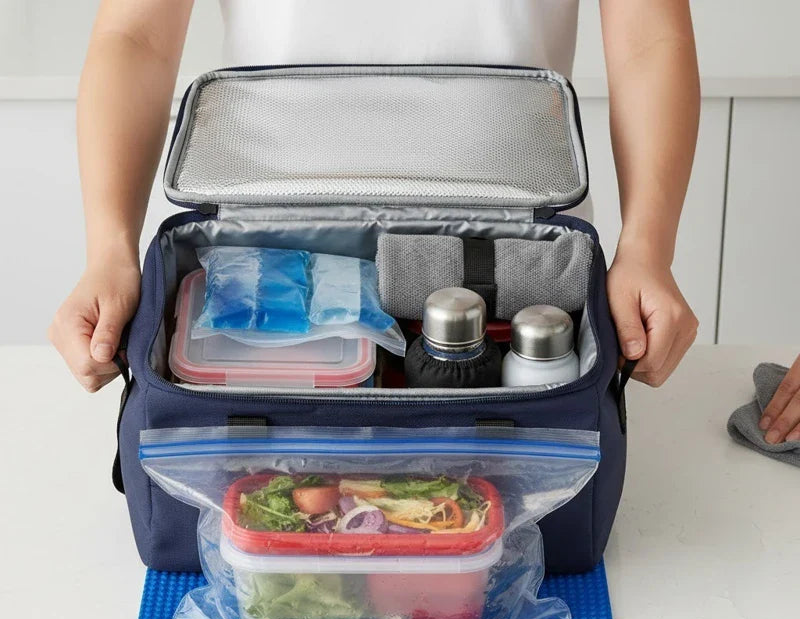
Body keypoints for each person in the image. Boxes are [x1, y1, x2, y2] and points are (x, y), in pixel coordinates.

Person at [50, 0, 700, 393]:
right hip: (265, 241)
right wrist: (109, 252)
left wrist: (647, 249)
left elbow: (650, 38)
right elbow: (135, 37)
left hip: (520, 250)